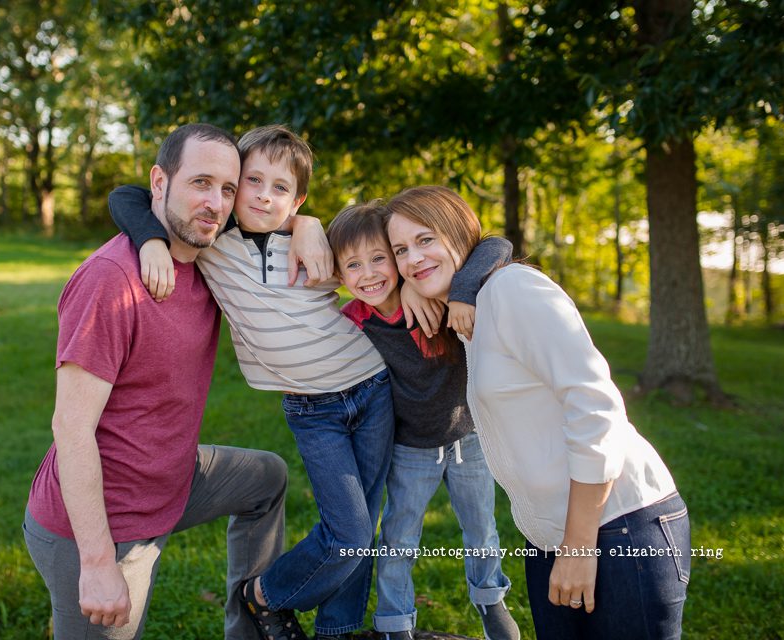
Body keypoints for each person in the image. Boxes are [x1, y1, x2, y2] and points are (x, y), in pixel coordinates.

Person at [23, 123, 328, 640]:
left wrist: (309, 224)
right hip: (103, 524)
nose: (216, 202)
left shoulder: (210, 257)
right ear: (158, 183)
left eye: (228, 189)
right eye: (200, 183)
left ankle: (253, 622)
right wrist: (98, 564)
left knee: (266, 479)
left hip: (174, 479)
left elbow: (279, 211)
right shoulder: (111, 283)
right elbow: (70, 429)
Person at [108, 125, 407, 640]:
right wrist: (152, 241)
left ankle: (338, 631)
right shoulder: (212, 241)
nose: (265, 196)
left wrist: (311, 226)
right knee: (351, 532)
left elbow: (381, 269)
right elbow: (128, 196)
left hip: (373, 387)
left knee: (366, 523)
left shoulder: (316, 243)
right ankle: (264, 594)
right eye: (253, 181)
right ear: (234, 184)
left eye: (282, 188)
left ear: (299, 199)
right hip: (315, 411)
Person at [384, 185, 690, 640]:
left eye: (425, 239)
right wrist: (414, 289)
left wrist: (579, 547)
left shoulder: (513, 290)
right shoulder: (469, 310)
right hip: (550, 538)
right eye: (401, 250)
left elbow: (595, 406)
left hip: (616, 526)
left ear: (459, 231)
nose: (412, 259)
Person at [326, 202, 520, 640]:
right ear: (340, 275)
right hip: (410, 447)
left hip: (467, 438)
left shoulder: (437, 296)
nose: (370, 273)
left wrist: (464, 292)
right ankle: (395, 622)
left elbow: (497, 245)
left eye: (380, 258)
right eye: (353, 265)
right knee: (398, 538)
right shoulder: (352, 322)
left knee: (481, 527)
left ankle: (490, 599)